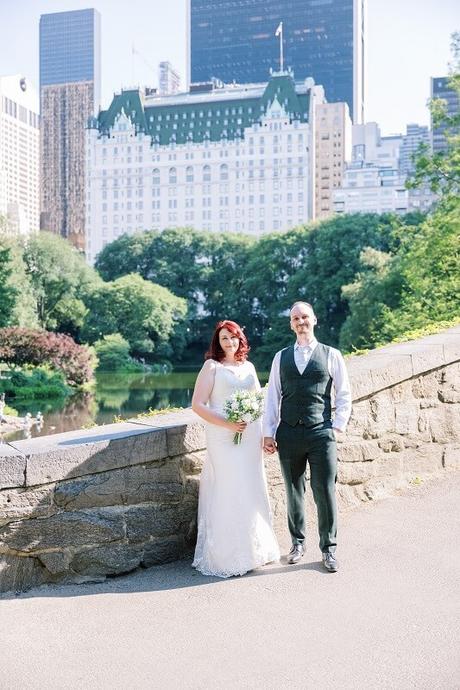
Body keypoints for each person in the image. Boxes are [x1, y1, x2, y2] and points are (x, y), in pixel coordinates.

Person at [263, 302, 351, 572]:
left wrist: (336, 428)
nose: (300, 321)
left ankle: (329, 549)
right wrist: (268, 433)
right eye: (295, 318)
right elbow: (272, 397)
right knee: (293, 491)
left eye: (304, 317)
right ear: (291, 324)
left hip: (321, 433)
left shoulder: (332, 354)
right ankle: (297, 543)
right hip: (288, 433)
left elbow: (344, 394)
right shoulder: (281, 357)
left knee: (324, 491)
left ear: (314, 320)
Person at [192, 320, 280, 578]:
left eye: (233, 337)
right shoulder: (212, 367)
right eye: (224, 339)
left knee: (251, 485)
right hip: (223, 437)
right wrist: (227, 423)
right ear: (217, 343)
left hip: (249, 436)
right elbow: (197, 405)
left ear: (240, 339)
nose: (229, 343)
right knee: (228, 487)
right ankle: (227, 556)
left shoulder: (249, 367)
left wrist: (265, 435)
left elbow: (258, 402)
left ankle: (255, 550)